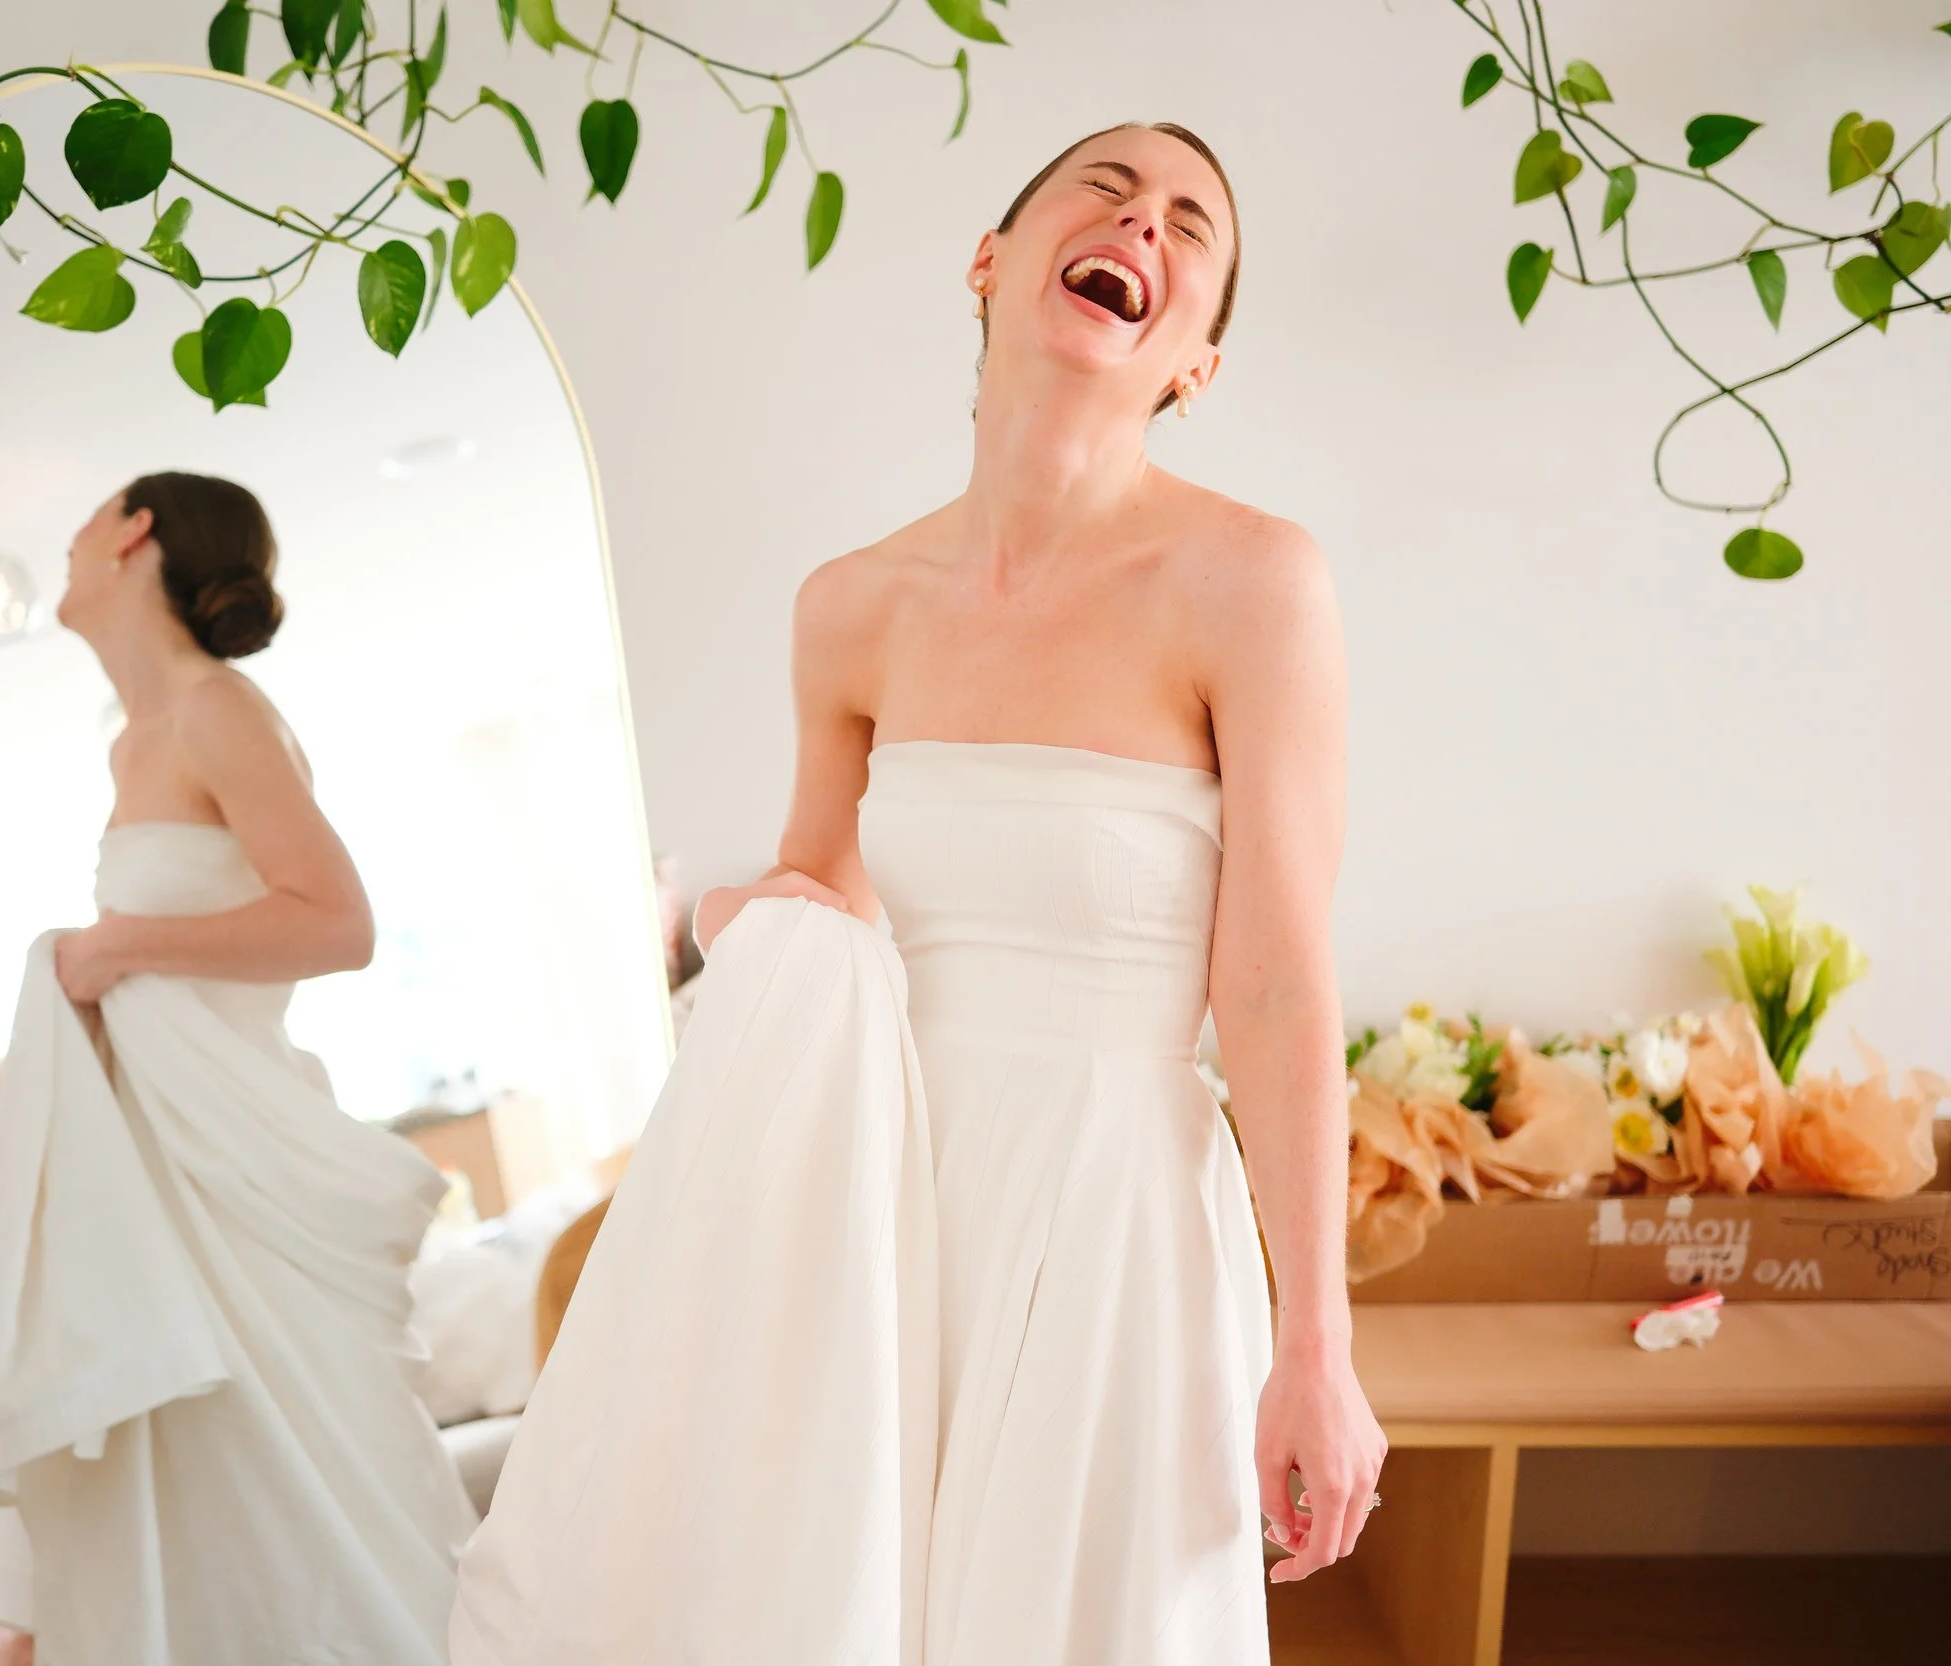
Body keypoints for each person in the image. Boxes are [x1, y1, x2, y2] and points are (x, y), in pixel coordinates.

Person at [451, 123, 1384, 1664]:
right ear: (991, 262)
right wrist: (697, 918)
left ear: (1195, 362)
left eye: (1190, 226)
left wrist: (1317, 1345)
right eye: (1107, 189)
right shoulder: (850, 608)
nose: (1142, 223)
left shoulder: (1256, 582)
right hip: (885, 1208)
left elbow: (1279, 979)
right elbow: (823, 895)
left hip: (1116, 1213)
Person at [0, 471, 476, 1666]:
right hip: (160, 1165)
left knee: (292, 1493)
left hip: (236, 1172)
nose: (63, 547)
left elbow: (337, 922)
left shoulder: (222, 712)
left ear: (135, 531)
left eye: (82, 522)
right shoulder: (136, 744)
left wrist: (118, 946)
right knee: (190, 1503)